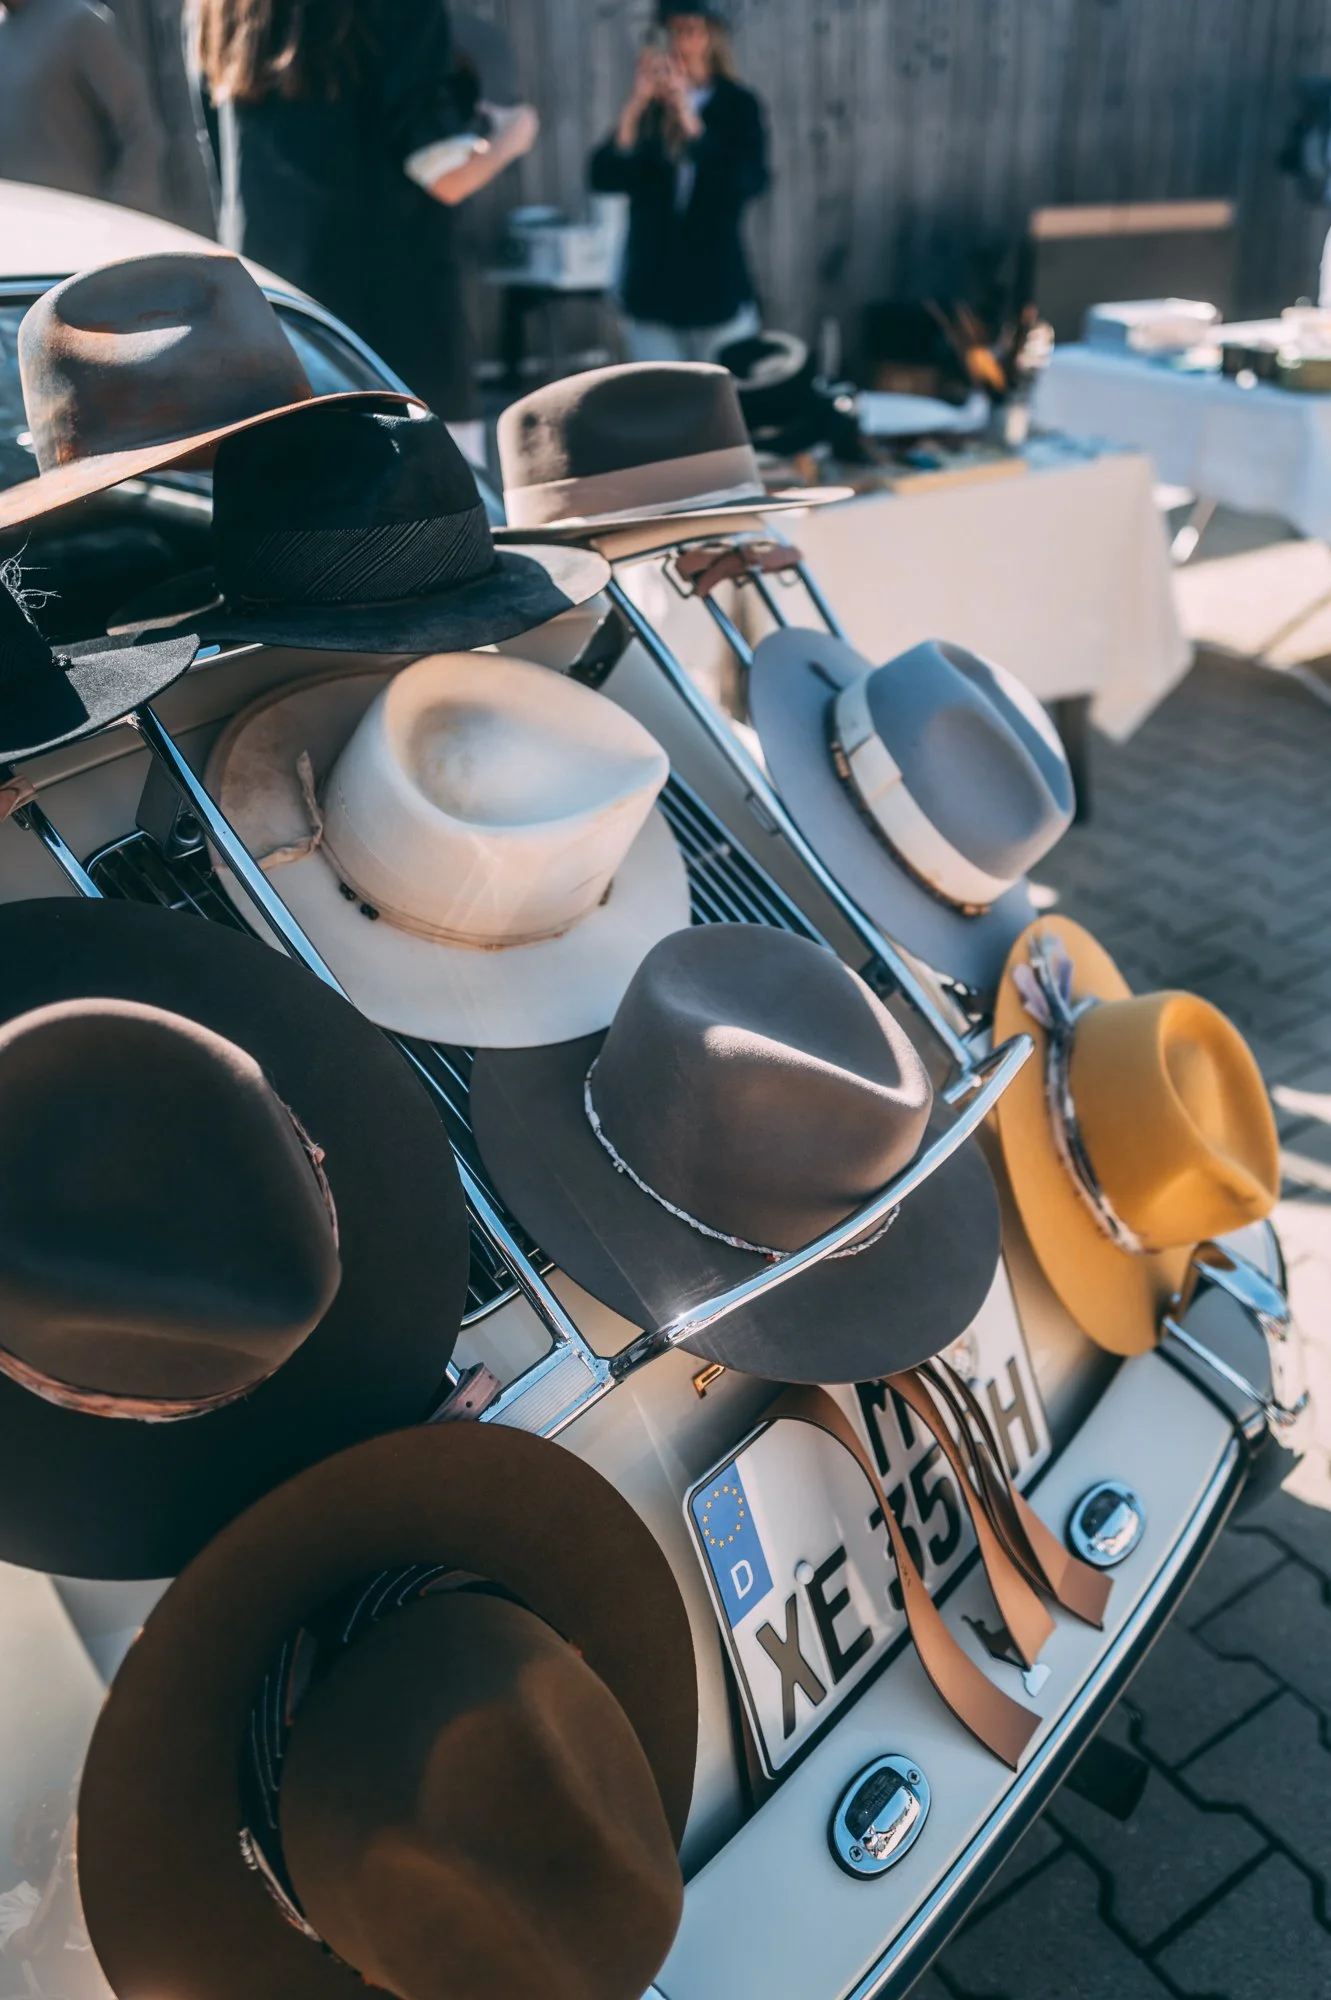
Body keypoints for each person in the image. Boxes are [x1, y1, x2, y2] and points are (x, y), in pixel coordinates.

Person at [195, 0, 539, 462]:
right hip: (400, 346)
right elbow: (445, 174)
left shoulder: (219, 10)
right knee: (439, 502)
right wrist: (513, 135)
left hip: (279, 331)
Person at [589, 4, 769, 364]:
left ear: (711, 38)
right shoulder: (650, 113)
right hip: (652, 294)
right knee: (660, 396)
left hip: (715, 292)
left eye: (690, 30)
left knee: (723, 394)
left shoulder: (738, 105)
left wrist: (690, 119)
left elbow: (745, 182)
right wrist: (635, 106)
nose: (679, 42)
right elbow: (604, 177)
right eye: (670, 32)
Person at [0, 0, 165, 216]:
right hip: (18, 229)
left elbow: (140, 132)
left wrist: (121, 217)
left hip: (78, 228)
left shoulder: (80, 23)